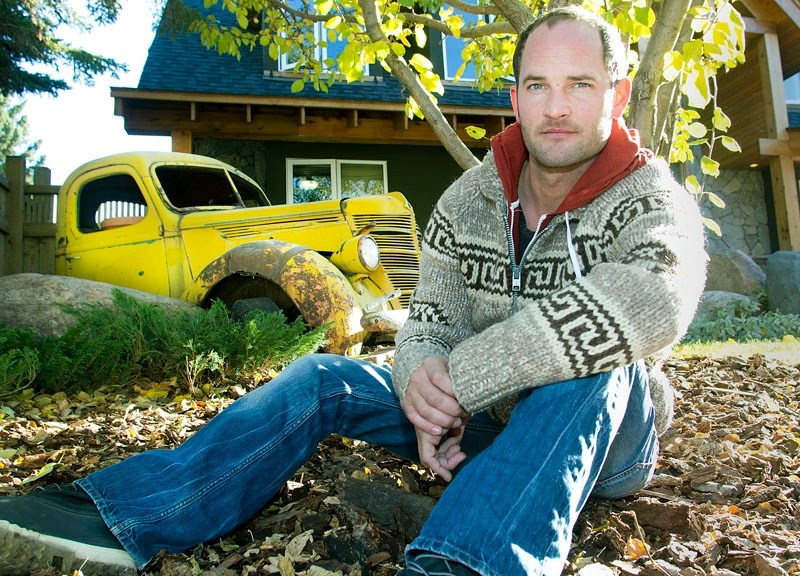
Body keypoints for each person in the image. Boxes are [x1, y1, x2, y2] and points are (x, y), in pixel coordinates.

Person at [0, 6, 707, 576]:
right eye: (537, 86)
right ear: (514, 93)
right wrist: (424, 390)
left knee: (594, 358)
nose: (556, 108)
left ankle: (467, 563)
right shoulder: (470, 200)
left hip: (609, 438)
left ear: (615, 94)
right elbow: (430, 318)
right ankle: (131, 511)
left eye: (580, 85)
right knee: (320, 378)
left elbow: (649, 302)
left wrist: (460, 380)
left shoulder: (651, 197)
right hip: (488, 419)